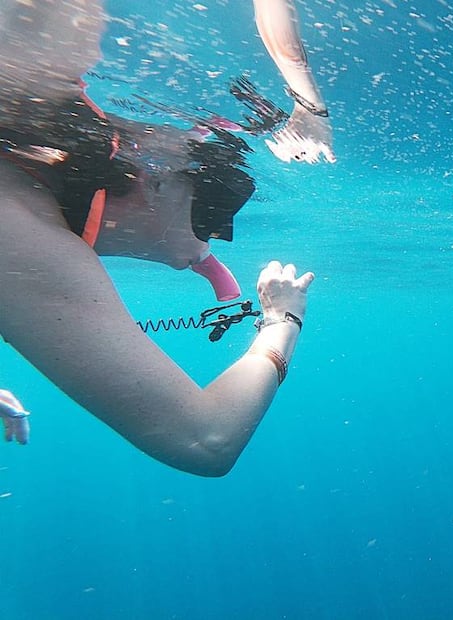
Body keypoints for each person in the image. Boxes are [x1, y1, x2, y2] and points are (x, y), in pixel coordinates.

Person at [0, 0, 334, 476]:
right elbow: (203, 439)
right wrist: (282, 321)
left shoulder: (27, 212)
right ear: (161, 177)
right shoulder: (24, 230)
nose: (211, 240)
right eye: (214, 212)